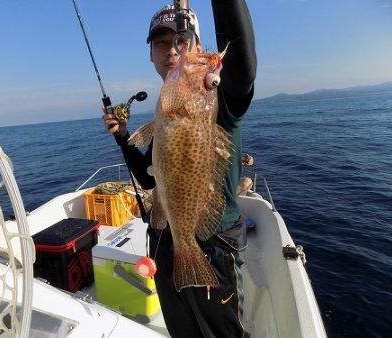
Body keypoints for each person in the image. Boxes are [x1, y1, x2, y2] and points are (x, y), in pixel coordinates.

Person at [103, 2, 256, 337]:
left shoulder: (217, 98)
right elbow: (147, 176)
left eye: (182, 40)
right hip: (165, 242)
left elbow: (243, 67)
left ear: (200, 47)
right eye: (161, 42)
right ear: (151, 55)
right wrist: (124, 137)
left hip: (212, 245)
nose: (172, 49)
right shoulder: (168, 111)